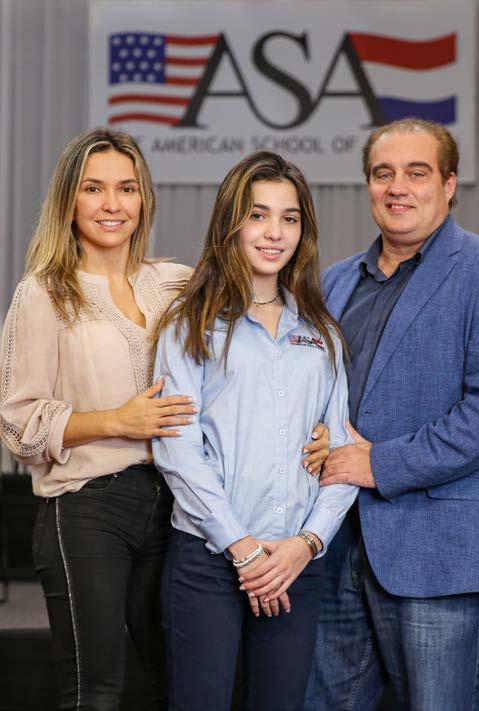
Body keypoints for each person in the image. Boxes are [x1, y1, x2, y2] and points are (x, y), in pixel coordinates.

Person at [0, 129, 329, 711]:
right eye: (93, 189)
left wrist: (311, 427)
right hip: (88, 506)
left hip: (173, 506)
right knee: (97, 689)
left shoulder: (176, 282)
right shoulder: (45, 293)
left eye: (126, 188)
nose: (112, 204)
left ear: (144, 199)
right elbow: (17, 426)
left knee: (174, 686)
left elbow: (250, 363)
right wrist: (116, 420)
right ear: (68, 201)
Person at [305, 119, 479, 711]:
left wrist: (379, 464)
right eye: (383, 173)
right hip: (334, 544)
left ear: (449, 183)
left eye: (417, 172)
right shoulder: (334, 283)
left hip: (438, 546)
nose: (397, 187)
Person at [152, 151, 359, 711]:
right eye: (258, 215)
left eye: (289, 218)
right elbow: (176, 450)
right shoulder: (190, 325)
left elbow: (341, 452)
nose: (274, 233)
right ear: (231, 223)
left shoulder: (322, 334)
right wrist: (241, 548)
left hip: (295, 565)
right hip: (210, 559)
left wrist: (306, 544)